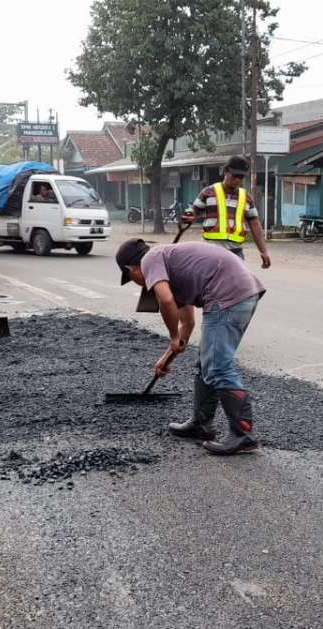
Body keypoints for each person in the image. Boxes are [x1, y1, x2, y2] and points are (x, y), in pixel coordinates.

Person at [116, 238, 266, 456]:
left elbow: (166, 301)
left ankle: (243, 434)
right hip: (240, 292)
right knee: (206, 362)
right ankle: (201, 424)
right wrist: (167, 356)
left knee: (217, 366)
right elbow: (187, 324)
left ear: (132, 268)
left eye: (131, 278)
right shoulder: (170, 266)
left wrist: (172, 336)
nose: (140, 283)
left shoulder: (151, 259)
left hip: (228, 295)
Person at [190, 155, 271, 268]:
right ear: (226, 171)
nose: (237, 179)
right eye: (235, 175)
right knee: (207, 283)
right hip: (210, 251)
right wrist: (187, 218)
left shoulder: (246, 198)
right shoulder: (208, 192)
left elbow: (255, 224)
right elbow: (193, 213)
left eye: (241, 177)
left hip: (236, 252)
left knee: (237, 284)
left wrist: (263, 251)